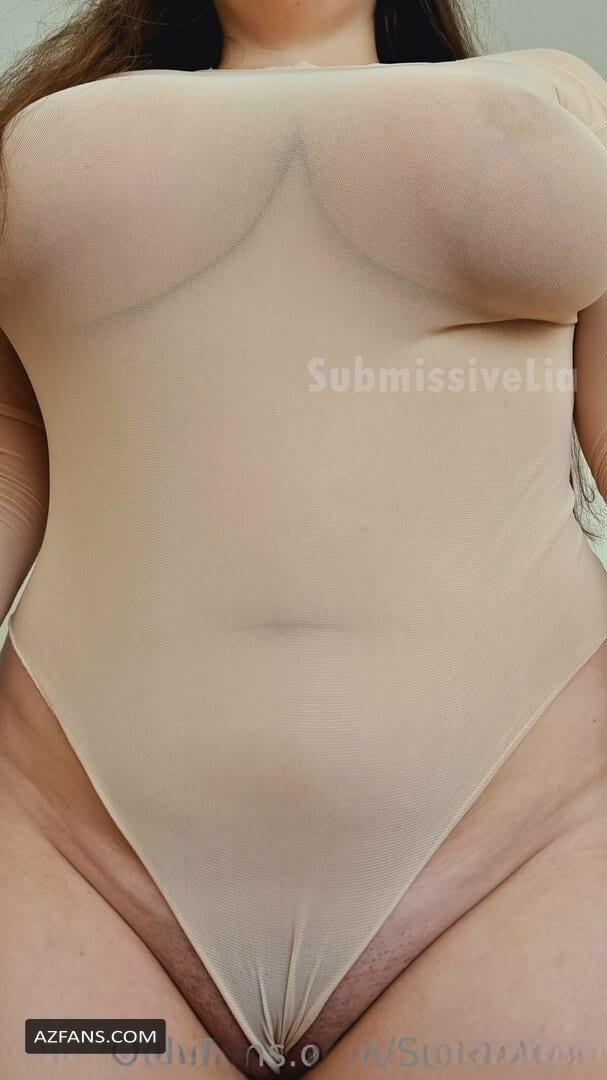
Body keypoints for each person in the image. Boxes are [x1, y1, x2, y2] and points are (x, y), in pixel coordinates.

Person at [1, 2, 606, 1077]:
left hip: (530, 849)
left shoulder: (557, 93)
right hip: (67, 858)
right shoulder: (49, 124)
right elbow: (11, 462)